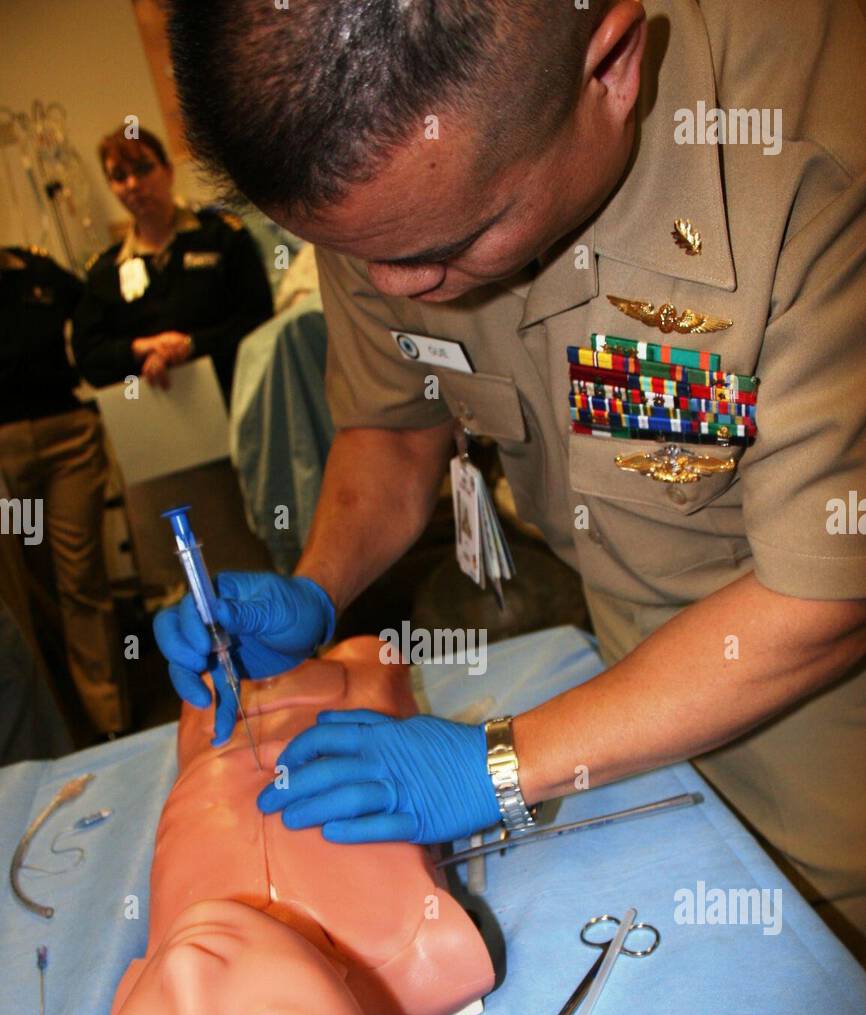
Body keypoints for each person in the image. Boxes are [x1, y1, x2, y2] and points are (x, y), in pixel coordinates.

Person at [157, 0, 866, 950]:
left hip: (832, 781)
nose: (387, 289)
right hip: (628, 714)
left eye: (442, 251)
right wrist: (318, 588)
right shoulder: (385, 175)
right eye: (354, 255)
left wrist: (501, 766)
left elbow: (820, 597)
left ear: (609, 67)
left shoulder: (810, 158)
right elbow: (398, 423)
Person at [0, 244, 129, 737]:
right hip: (6, 456)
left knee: (81, 578)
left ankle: (109, 723)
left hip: (67, 441)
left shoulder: (36, 270)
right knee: (28, 591)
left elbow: (99, 321)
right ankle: (57, 730)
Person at [72, 125, 272, 403]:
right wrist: (141, 349)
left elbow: (259, 319)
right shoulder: (106, 271)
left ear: (168, 171)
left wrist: (191, 346)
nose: (133, 184)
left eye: (143, 169)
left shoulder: (221, 236)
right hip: (158, 419)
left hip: (238, 394)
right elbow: (90, 357)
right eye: (120, 177)